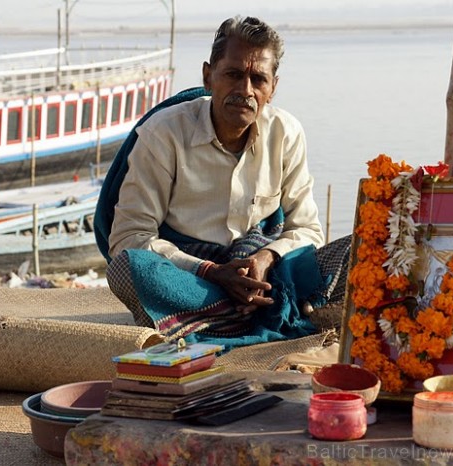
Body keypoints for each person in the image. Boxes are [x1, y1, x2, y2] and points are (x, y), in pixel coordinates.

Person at [98, 15, 350, 348]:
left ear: (272, 88)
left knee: (363, 251)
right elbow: (129, 237)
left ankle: (217, 321)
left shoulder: (286, 133)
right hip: (194, 280)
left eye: (258, 79)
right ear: (208, 76)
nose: (245, 90)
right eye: (233, 74)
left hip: (268, 279)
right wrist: (211, 272)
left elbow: (307, 230)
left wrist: (263, 261)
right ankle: (258, 317)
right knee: (128, 268)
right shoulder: (164, 134)